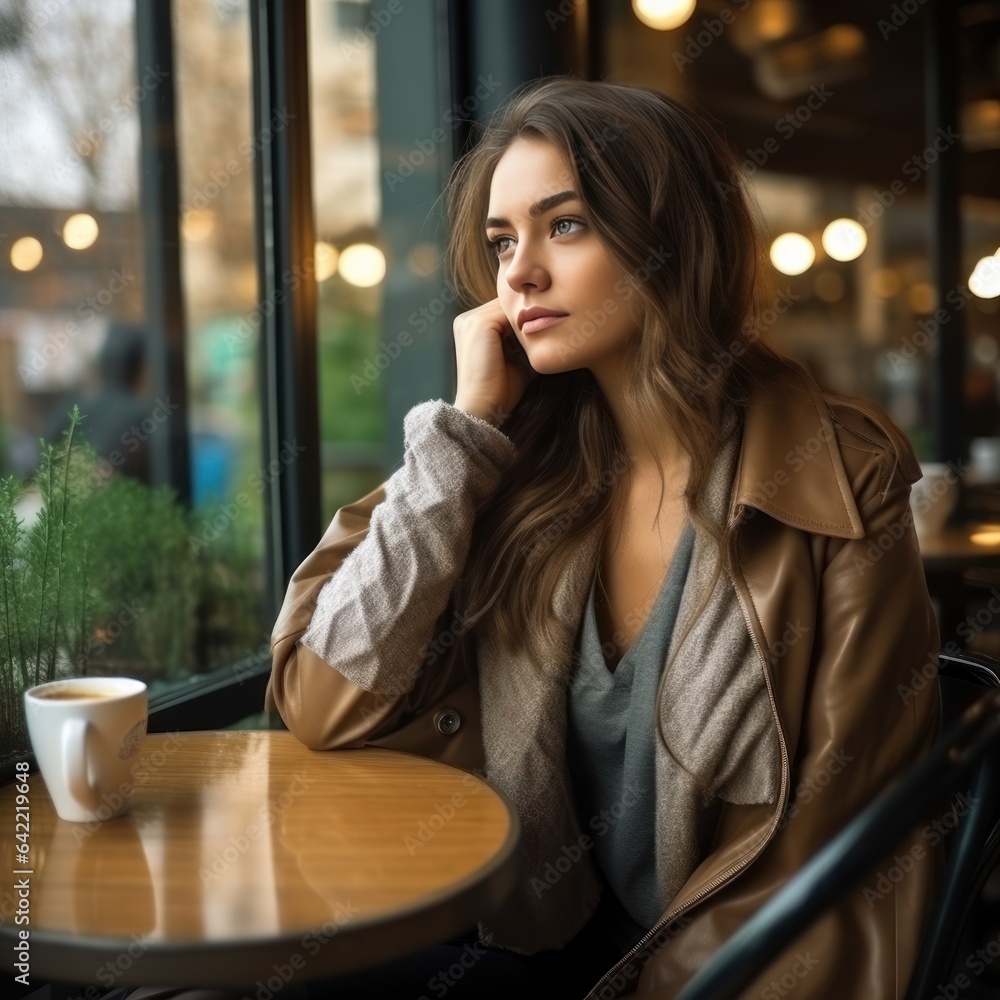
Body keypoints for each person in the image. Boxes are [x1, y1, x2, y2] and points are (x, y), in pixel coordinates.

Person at [264, 77, 941, 999]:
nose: (519, 273)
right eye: (503, 241)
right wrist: (461, 440)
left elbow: (834, 846)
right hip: (530, 949)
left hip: (710, 977)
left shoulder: (836, 474)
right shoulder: (509, 462)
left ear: (672, 240)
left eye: (565, 226)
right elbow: (321, 701)